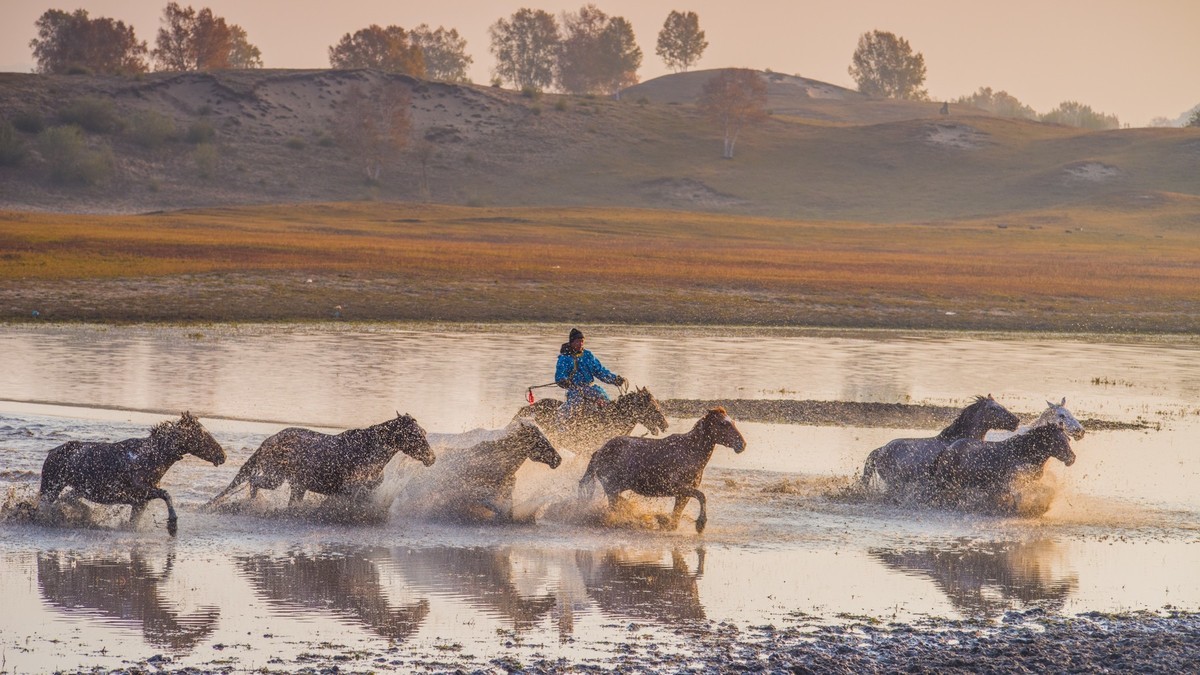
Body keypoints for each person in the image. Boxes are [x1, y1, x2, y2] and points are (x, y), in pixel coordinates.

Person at [555, 328, 625, 418]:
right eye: (577, 341)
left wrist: (614, 379)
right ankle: (563, 423)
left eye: (582, 341)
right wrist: (563, 381)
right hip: (575, 390)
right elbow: (560, 374)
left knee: (607, 404)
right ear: (571, 342)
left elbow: (599, 371)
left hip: (591, 388)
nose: (580, 344)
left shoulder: (588, 355)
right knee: (574, 409)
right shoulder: (565, 358)